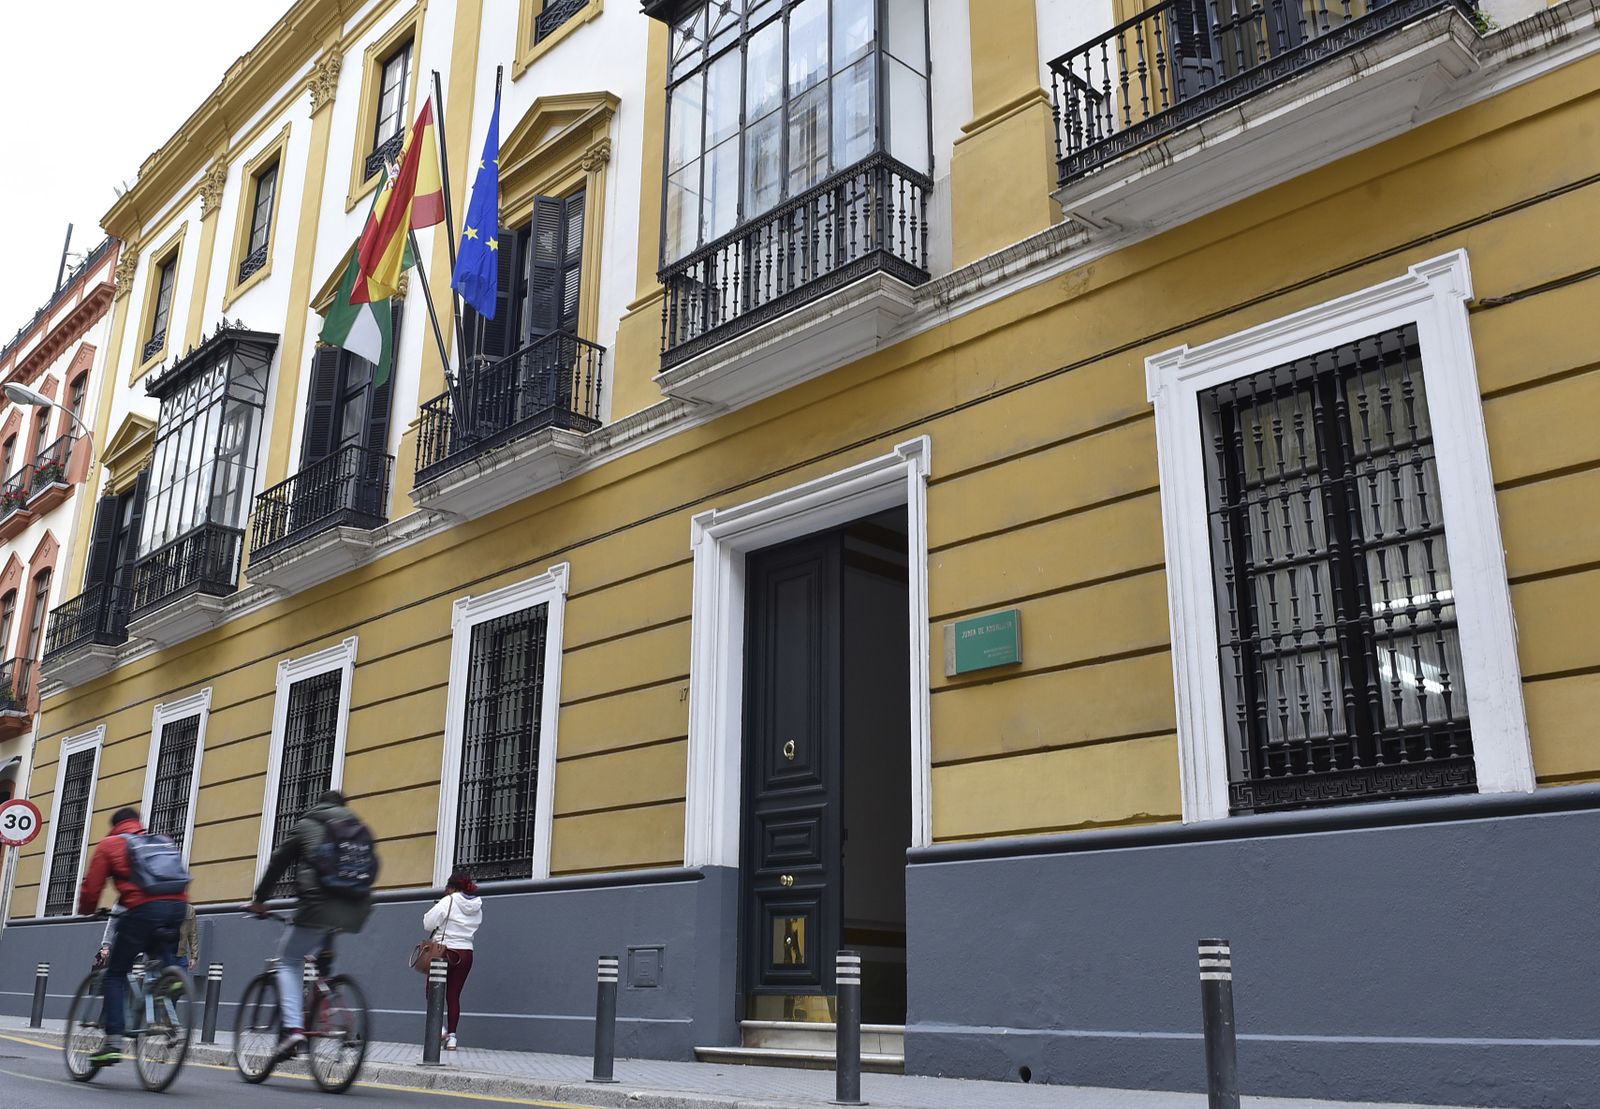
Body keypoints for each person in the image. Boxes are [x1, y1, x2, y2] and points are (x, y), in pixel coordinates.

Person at [243, 790, 375, 1060]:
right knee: (321, 960)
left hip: (317, 904)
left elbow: (278, 863)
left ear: (320, 805)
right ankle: (326, 998)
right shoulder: (357, 828)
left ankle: (294, 1030)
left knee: (289, 960)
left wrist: (259, 899)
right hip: (356, 907)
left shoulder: (308, 824)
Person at [77, 807, 190, 1067]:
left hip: (141, 909)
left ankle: (113, 1042)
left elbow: (92, 888)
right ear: (138, 823)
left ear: (115, 825)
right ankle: (171, 977)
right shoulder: (162, 841)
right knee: (162, 949)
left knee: (116, 974)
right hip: (177, 907)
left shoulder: (111, 844)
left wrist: (87, 911)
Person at [421, 873, 482, 1050]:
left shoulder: (448, 901)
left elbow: (428, 923)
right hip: (466, 953)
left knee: (431, 991)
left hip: (445, 951)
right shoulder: (477, 905)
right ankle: (453, 1038)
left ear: (451, 887)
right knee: (454, 996)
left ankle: (439, 1030)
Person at [177, 902, 200, 972]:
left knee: (181, 981)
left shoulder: (189, 909)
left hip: (181, 955)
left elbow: (193, 934)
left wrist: (194, 957)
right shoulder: (164, 906)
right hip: (164, 955)